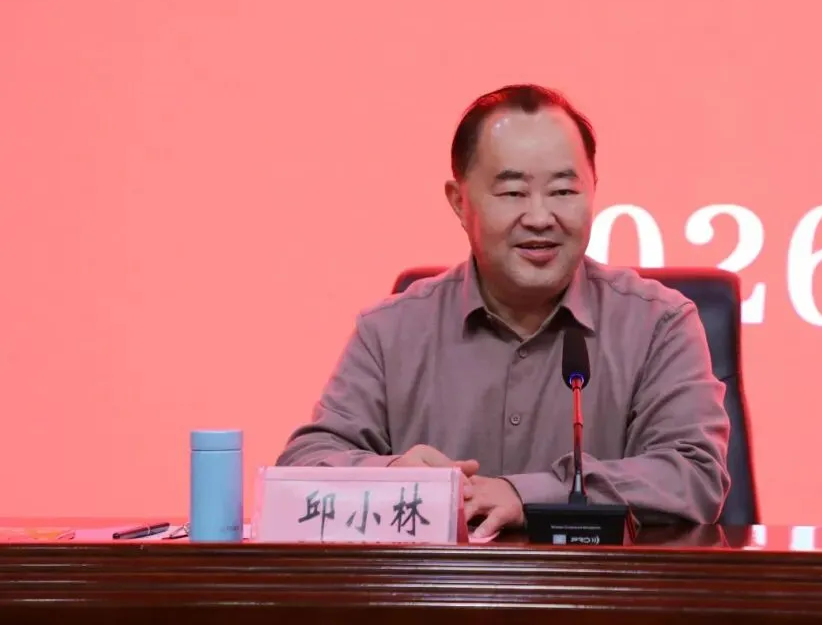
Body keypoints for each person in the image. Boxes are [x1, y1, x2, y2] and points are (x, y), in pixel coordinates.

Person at [277, 84, 731, 537]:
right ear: (459, 202)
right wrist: (394, 476)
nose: (540, 217)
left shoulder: (657, 325)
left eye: (563, 191)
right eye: (513, 193)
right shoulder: (390, 332)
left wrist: (531, 494)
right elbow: (304, 467)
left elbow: (692, 474)